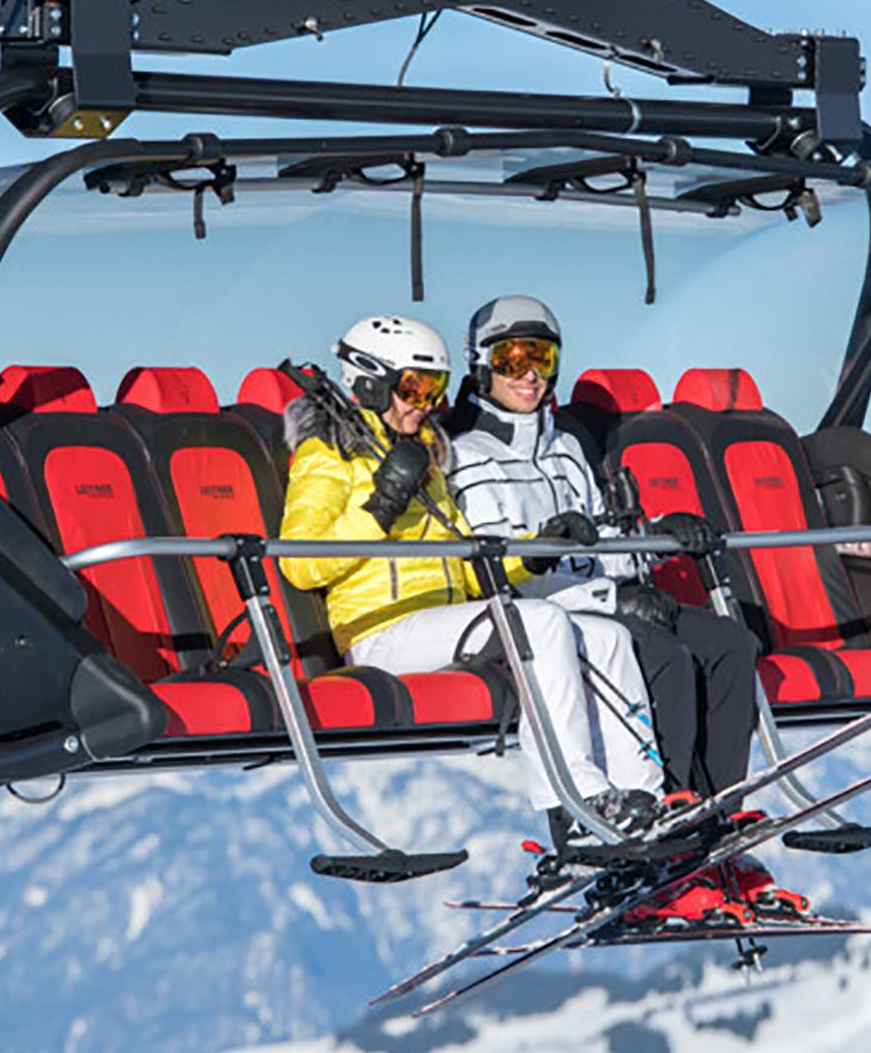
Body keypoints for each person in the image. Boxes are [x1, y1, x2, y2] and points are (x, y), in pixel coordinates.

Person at [277, 314, 663, 833]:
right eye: (413, 386)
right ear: (368, 383)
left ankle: (645, 795)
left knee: (606, 637)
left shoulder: (423, 457)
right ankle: (573, 802)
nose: (424, 403)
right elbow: (299, 564)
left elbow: (469, 561)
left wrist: (537, 549)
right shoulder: (329, 454)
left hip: (446, 622)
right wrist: (381, 507)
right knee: (542, 622)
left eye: (434, 388)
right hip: (380, 632)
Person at [445, 296, 761, 799]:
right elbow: (501, 576)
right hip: (546, 619)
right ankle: (670, 805)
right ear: (481, 366)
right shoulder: (464, 458)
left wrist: (660, 540)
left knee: (731, 644)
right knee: (664, 654)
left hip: (604, 600)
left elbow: (602, 543)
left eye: (542, 359)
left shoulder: (566, 449)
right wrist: (612, 600)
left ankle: (718, 804)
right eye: (512, 360)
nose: (531, 376)